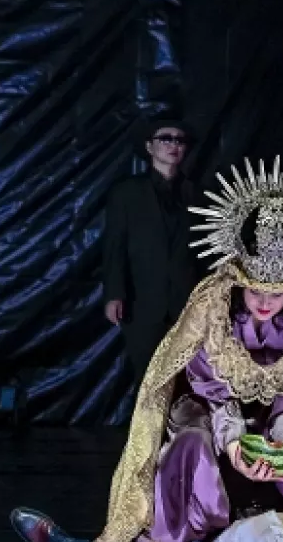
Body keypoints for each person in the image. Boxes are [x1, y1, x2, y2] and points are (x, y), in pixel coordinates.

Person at [11, 156, 283, 542]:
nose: (264, 302)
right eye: (255, 290)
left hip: (278, 426)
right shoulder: (214, 310)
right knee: (191, 446)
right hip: (211, 413)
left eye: (275, 294)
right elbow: (211, 390)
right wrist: (235, 443)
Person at [102, 113, 200, 383]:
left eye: (180, 140)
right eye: (165, 138)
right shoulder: (126, 193)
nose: (174, 144)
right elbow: (115, 247)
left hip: (188, 302)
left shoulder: (197, 194)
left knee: (186, 379)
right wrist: (114, 294)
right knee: (148, 379)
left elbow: (205, 251)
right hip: (142, 301)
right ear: (149, 146)